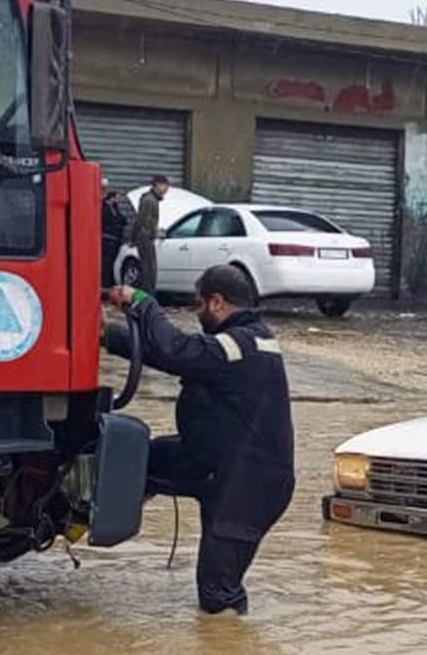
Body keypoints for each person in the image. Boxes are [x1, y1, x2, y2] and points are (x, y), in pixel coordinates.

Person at [105, 266, 295, 615]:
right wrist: (107, 335)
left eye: (198, 305)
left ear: (218, 302)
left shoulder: (242, 345)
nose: (197, 312)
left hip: (249, 487)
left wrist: (144, 303)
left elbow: (176, 349)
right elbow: (167, 356)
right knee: (137, 460)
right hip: (212, 460)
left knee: (217, 597)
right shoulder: (240, 341)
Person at [131, 176, 169, 290]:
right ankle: (147, 297)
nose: (166, 189)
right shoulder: (149, 200)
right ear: (157, 185)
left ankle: (148, 297)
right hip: (145, 237)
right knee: (149, 270)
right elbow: (142, 220)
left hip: (145, 236)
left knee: (149, 269)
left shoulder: (152, 199)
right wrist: (136, 237)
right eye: (165, 186)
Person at [101, 185, 134, 287]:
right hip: (108, 239)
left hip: (116, 239)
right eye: (117, 198)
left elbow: (123, 220)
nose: (118, 200)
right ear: (112, 198)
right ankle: (104, 282)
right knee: (107, 262)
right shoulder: (104, 208)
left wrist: (118, 221)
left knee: (114, 262)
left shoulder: (115, 208)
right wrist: (117, 222)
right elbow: (111, 221)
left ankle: (111, 282)